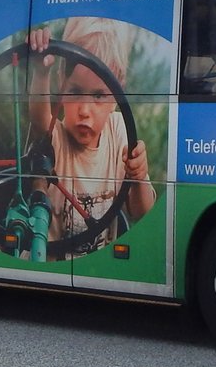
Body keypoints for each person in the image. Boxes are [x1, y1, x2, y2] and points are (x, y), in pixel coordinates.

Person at [28, 17, 155, 256]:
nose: (84, 111)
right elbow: (39, 120)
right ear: (61, 85)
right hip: (50, 270)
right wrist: (40, 73)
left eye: (98, 96)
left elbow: (141, 212)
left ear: (117, 94)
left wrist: (138, 176)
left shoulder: (120, 131)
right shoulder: (55, 137)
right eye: (75, 91)